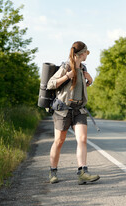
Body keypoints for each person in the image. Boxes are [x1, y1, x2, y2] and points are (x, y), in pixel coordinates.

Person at [47, 41, 100, 185]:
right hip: (63, 110)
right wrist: (67, 76)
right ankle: (53, 172)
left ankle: (82, 172)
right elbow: (50, 84)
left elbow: (78, 89)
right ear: (81, 54)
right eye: (86, 53)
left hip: (79, 110)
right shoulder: (66, 66)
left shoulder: (83, 68)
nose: (87, 55)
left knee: (82, 139)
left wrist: (89, 81)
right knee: (59, 141)